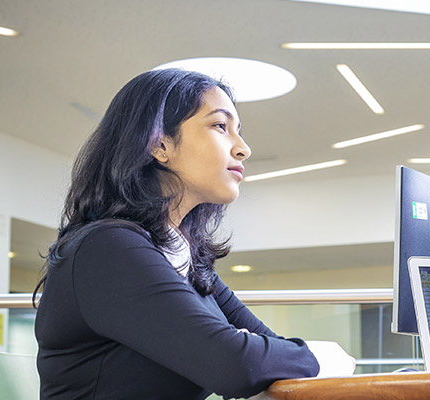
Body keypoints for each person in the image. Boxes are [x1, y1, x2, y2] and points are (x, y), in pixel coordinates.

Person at [34, 69, 321, 399]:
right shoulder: (107, 249)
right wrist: (316, 354)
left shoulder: (186, 260)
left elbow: (267, 354)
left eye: (238, 132)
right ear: (159, 144)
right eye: (220, 126)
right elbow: (236, 366)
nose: (243, 149)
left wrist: (267, 353)